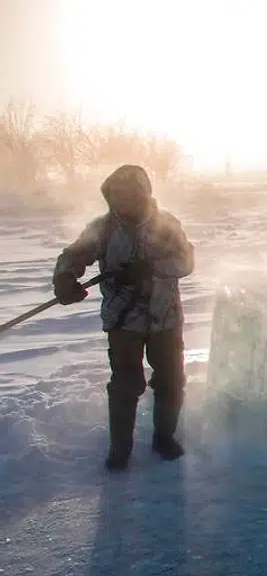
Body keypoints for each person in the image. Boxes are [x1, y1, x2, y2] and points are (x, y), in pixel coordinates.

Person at [53, 164, 195, 471]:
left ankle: (164, 438)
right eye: (117, 196)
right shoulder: (102, 229)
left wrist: (153, 268)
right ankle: (120, 449)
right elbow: (73, 255)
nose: (123, 202)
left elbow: (186, 262)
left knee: (170, 381)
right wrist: (65, 279)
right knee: (125, 384)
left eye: (130, 195)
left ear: (144, 194)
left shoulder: (166, 225)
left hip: (165, 318)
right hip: (123, 322)